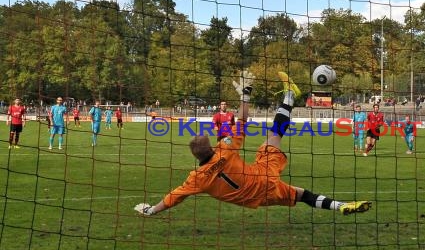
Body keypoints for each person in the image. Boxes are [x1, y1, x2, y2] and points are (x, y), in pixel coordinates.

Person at [134, 71, 372, 217]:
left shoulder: (196, 179)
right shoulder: (225, 149)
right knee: (274, 135)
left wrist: (150, 210)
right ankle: (289, 97)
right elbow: (244, 120)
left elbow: (172, 198)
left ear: (196, 157)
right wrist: (245, 96)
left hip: (256, 197)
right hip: (263, 175)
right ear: (212, 146)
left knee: (299, 195)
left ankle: (341, 206)